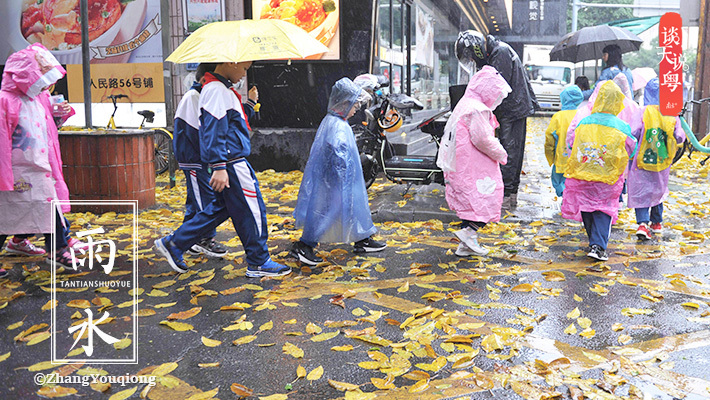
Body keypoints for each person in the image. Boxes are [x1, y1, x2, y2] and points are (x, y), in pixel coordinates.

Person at [155, 61, 290, 278]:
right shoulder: (216, 90)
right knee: (252, 209)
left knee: (220, 209)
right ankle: (259, 260)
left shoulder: (217, 88)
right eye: (244, 68)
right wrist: (218, 166)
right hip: (231, 162)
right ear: (229, 62)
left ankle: (175, 243)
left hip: (228, 161)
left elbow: (223, 127)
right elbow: (214, 129)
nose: (244, 74)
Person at [289, 78, 385, 265]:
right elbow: (337, 153)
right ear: (344, 103)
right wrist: (343, 177)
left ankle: (362, 237)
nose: (356, 109)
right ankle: (305, 244)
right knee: (329, 210)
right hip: (336, 180)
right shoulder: (337, 125)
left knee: (354, 204)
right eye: (354, 105)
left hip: (343, 178)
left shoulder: (336, 121)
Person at [0, 44, 77, 274]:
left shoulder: (39, 98)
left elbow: (48, 128)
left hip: (40, 166)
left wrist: (59, 114)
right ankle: (57, 249)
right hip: (17, 169)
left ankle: (58, 249)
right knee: (8, 213)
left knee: (48, 207)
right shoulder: (6, 100)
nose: (46, 85)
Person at [455, 30, 538, 210]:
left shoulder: (500, 53)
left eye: (471, 57)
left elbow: (494, 87)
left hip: (513, 109)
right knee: (512, 152)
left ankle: (506, 196)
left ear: (476, 50)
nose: (473, 61)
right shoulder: (497, 52)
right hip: (512, 109)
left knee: (508, 153)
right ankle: (509, 195)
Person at [437, 66, 510, 256]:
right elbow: (482, 139)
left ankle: (466, 245)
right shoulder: (477, 109)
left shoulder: (465, 104)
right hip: (476, 166)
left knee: (470, 204)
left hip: (461, 165)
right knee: (485, 199)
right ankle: (469, 233)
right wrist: (501, 153)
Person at [561, 80, 638, 261]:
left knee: (587, 206)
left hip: (584, 172)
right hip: (608, 176)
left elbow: (571, 142)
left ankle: (593, 242)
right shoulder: (621, 126)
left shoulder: (585, 122)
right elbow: (631, 148)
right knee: (604, 209)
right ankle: (598, 245)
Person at [172, 63, 228, 258]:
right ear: (205, 79)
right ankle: (204, 239)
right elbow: (200, 131)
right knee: (205, 200)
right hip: (194, 158)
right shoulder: (194, 97)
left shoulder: (198, 95)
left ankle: (185, 240)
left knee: (195, 202)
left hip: (197, 157)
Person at [627, 78, 685, 240]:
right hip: (662, 160)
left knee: (641, 190)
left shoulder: (642, 111)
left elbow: (632, 133)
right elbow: (680, 137)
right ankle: (657, 222)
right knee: (658, 189)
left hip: (641, 160)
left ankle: (642, 223)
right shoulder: (671, 114)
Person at [544, 85, 584, 198]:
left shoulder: (558, 117)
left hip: (561, 158)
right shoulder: (582, 115)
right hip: (578, 159)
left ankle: (565, 197)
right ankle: (571, 199)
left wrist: (550, 157)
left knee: (558, 181)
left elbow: (549, 139)